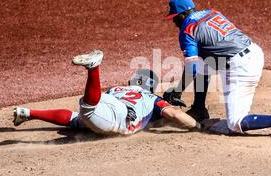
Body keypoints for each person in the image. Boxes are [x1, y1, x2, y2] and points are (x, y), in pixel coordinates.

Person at [162, 0, 271, 140]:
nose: (174, 21)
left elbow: (191, 68)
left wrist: (178, 91)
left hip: (240, 66)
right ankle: (199, 109)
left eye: (175, 17)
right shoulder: (212, 13)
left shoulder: (188, 29)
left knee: (235, 123)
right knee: (203, 62)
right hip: (254, 52)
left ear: (184, 14)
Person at [13, 50, 201, 135]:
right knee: (88, 110)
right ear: (150, 88)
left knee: (78, 119)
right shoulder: (152, 98)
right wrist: (197, 127)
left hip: (107, 100)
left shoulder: (118, 88)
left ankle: (29, 113)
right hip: (118, 116)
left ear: (131, 82)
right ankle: (93, 68)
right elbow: (173, 113)